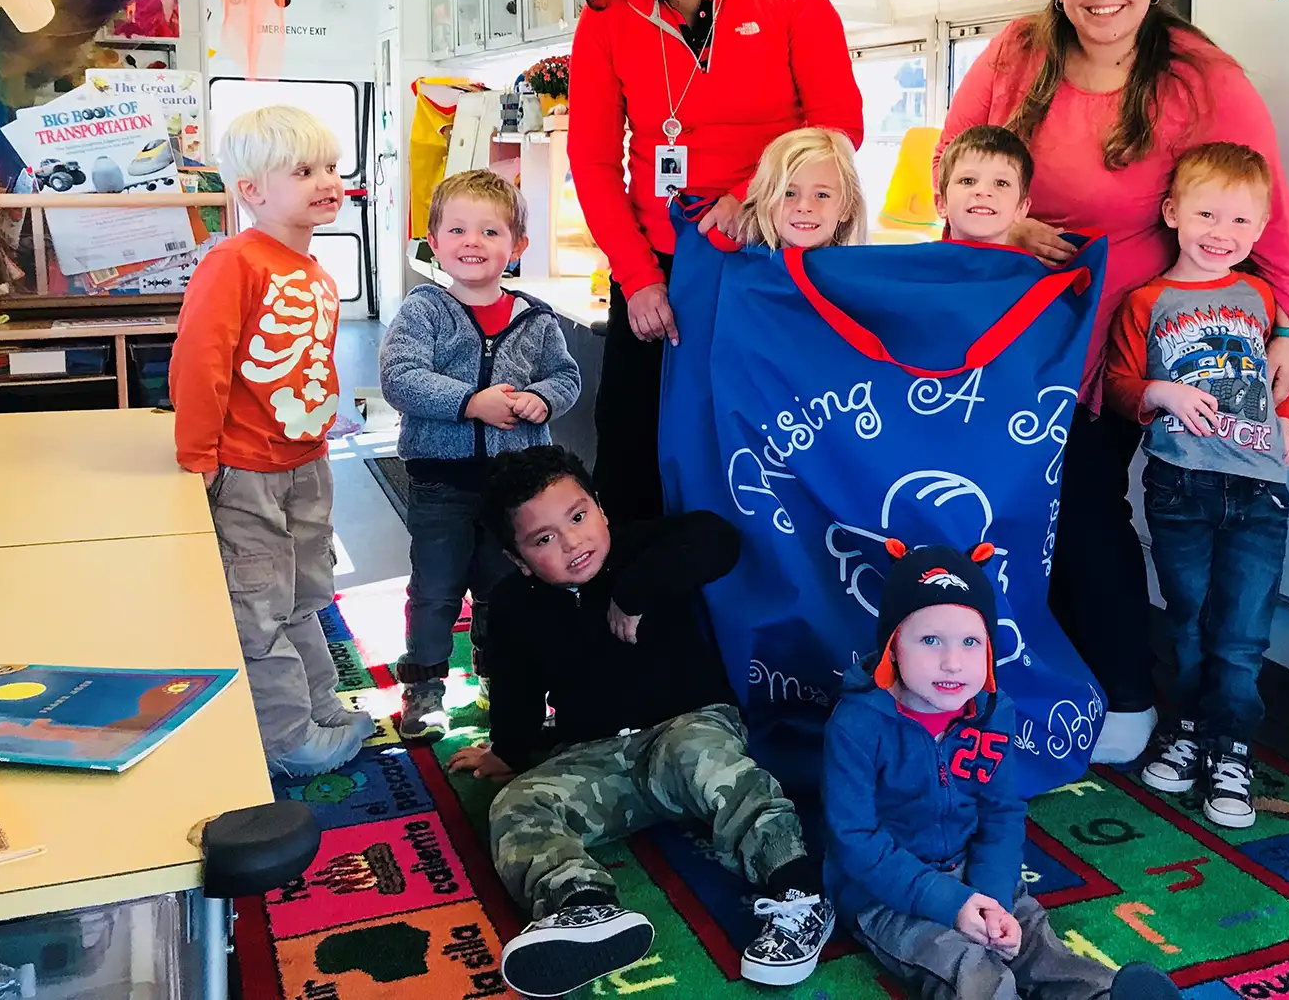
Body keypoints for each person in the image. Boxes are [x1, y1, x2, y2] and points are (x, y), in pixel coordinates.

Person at [936, 0, 1289, 765]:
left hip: (1126, 330)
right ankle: (1023, 676)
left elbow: (1264, 201)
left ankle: (1120, 694)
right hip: (1015, 318)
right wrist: (1013, 223)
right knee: (1010, 503)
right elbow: (954, 161)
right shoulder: (1015, 52)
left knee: (1084, 509)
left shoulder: (1201, 76)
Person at [446, 447, 835, 997]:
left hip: (687, 726)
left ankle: (798, 891)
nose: (572, 543)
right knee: (515, 805)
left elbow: (717, 539)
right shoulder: (512, 606)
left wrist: (634, 592)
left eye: (578, 517)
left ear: (600, 508)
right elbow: (517, 689)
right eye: (544, 539)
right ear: (518, 559)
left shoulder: (640, 549)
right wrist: (507, 750)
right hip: (597, 757)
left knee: (706, 761)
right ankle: (584, 908)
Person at [568, 0, 864, 523]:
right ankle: (636, 614)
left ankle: (749, 614)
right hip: (659, 267)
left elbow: (837, 124)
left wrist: (751, 198)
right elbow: (592, 159)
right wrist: (637, 278)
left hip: (770, 258)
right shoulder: (607, 17)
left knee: (756, 447)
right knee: (633, 449)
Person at [823, 539, 1183, 1000]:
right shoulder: (856, 724)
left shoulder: (993, 712)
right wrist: (953, 904)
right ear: (893, 646)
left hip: (976, 873)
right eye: (930, 640)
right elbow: (855, 840)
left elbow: (1002, 812)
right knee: (965, 964)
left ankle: (1105, 996)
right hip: (887, 893)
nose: (953, 662)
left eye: (971, 642)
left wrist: (990, 898)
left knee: (1036, 944)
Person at [1102, 144, 1289, 829]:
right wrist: (1160, 391)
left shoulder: (1261, 296)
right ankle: (1186, 732)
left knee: (1243, 633)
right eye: (1208, 214)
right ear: (1172, 213)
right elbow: (1121, 387)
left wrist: (1284, 424)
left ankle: (1233, 749)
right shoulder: (1147, 301)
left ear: (1262, 227)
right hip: (1181, 483)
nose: (1223, 233)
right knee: (1186, 620)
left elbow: (1273, 377)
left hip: (1259, 490)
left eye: (1243, 222)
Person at [170, 106, 368, 778]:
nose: (327, 182)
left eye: (333, 168)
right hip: (247, 469)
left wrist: (325, 423)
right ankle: (286, 741)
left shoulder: (314, 269)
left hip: (306, 462)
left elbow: (302, 362)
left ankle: (318, 704)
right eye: (304, 171)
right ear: (251, 190)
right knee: (258, 604)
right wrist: (198, 456)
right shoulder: (234, 261)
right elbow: (200, 359)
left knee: (308, 592)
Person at [379, 169, 583, 740]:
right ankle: (425, 686)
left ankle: (503, 676)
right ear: (434, 240)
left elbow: (564, 377)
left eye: (491, 232)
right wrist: (471, 403)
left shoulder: (535, 317)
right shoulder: (424, 310)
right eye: (458, 230)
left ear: (516, 245)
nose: (473, 242)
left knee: (505, 587)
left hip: (513, 489)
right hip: (440, 482)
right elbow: (399, 377)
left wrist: (543, 400)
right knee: (436, 588)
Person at [735, 126, 868, 250]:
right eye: (789, 193)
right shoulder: (737, 272)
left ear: (846, 207)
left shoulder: (862, 273)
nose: (804, 207)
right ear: (766, 203)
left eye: (822, 195)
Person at [935, 124, 1033, 246]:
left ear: (1021, 208)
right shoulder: (913, 263)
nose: (983, 191)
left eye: (1001, 183)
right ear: (942, 203)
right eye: (968, 181)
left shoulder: (1030, 265)